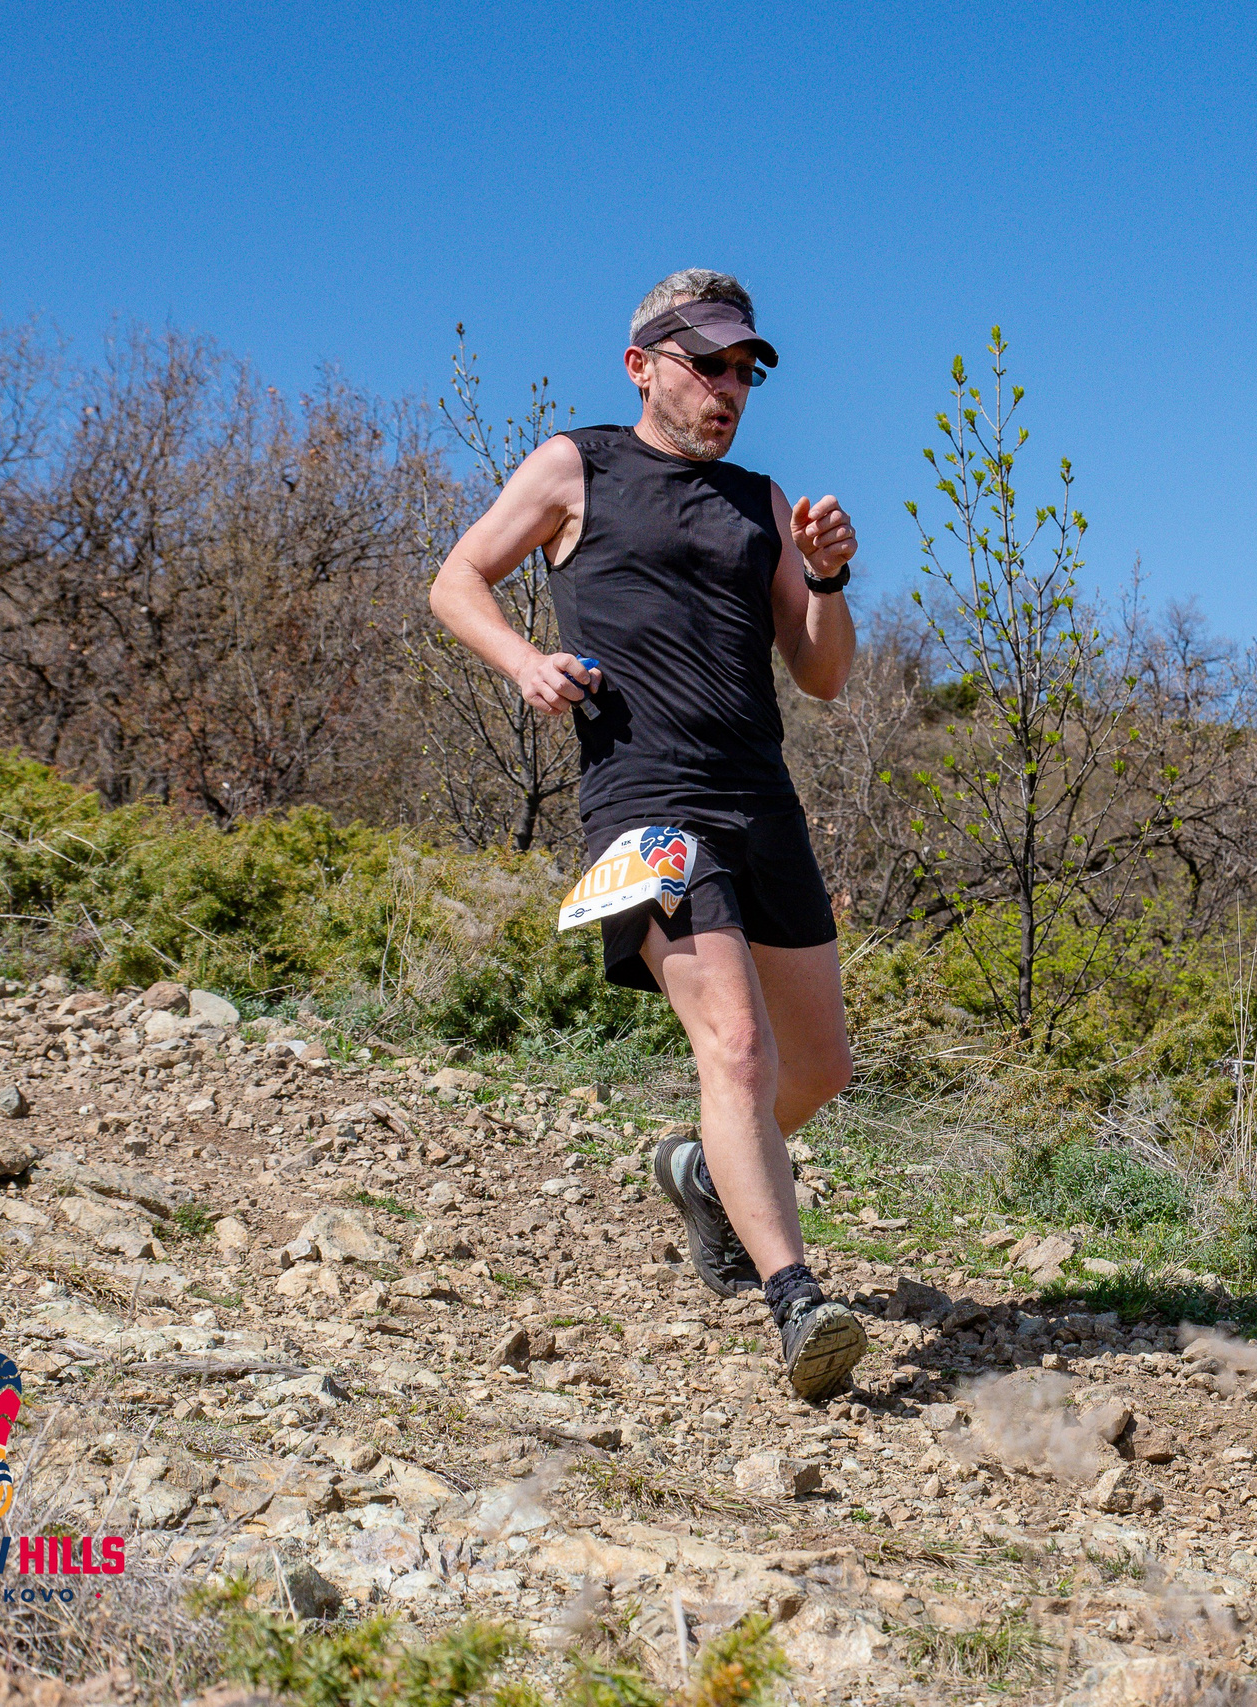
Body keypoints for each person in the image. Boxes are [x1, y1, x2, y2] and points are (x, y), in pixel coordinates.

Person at [427, 269, 866, 1402]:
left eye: (744, 371)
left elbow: (820, 676)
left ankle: (703, 1171)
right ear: (643, 365)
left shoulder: (760, 501)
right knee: (734, 1048)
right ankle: (797, 1303)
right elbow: (456, 578)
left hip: (758, 796)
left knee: (819, 1065)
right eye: (706, 363)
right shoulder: (579, 465)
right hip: (642, 801)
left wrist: (826, 578)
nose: (728, 388)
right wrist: (523, 661)